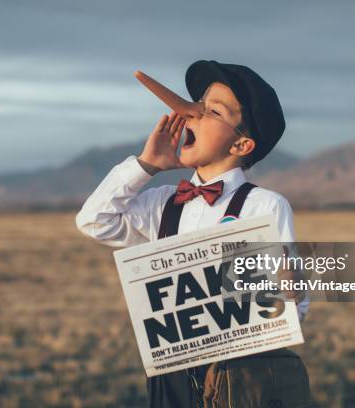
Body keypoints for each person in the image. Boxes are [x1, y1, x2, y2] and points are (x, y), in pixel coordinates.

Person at [76, 60, 311, 408]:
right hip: (169, 377)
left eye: (212, 111)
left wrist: (288, 292)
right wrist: (146, 166)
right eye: (197, 106)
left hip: (237, 377)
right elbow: (95, 221)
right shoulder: (162, 203)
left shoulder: (265, 206)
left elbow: (294, 309)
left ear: (242, 145)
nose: (191, 115)